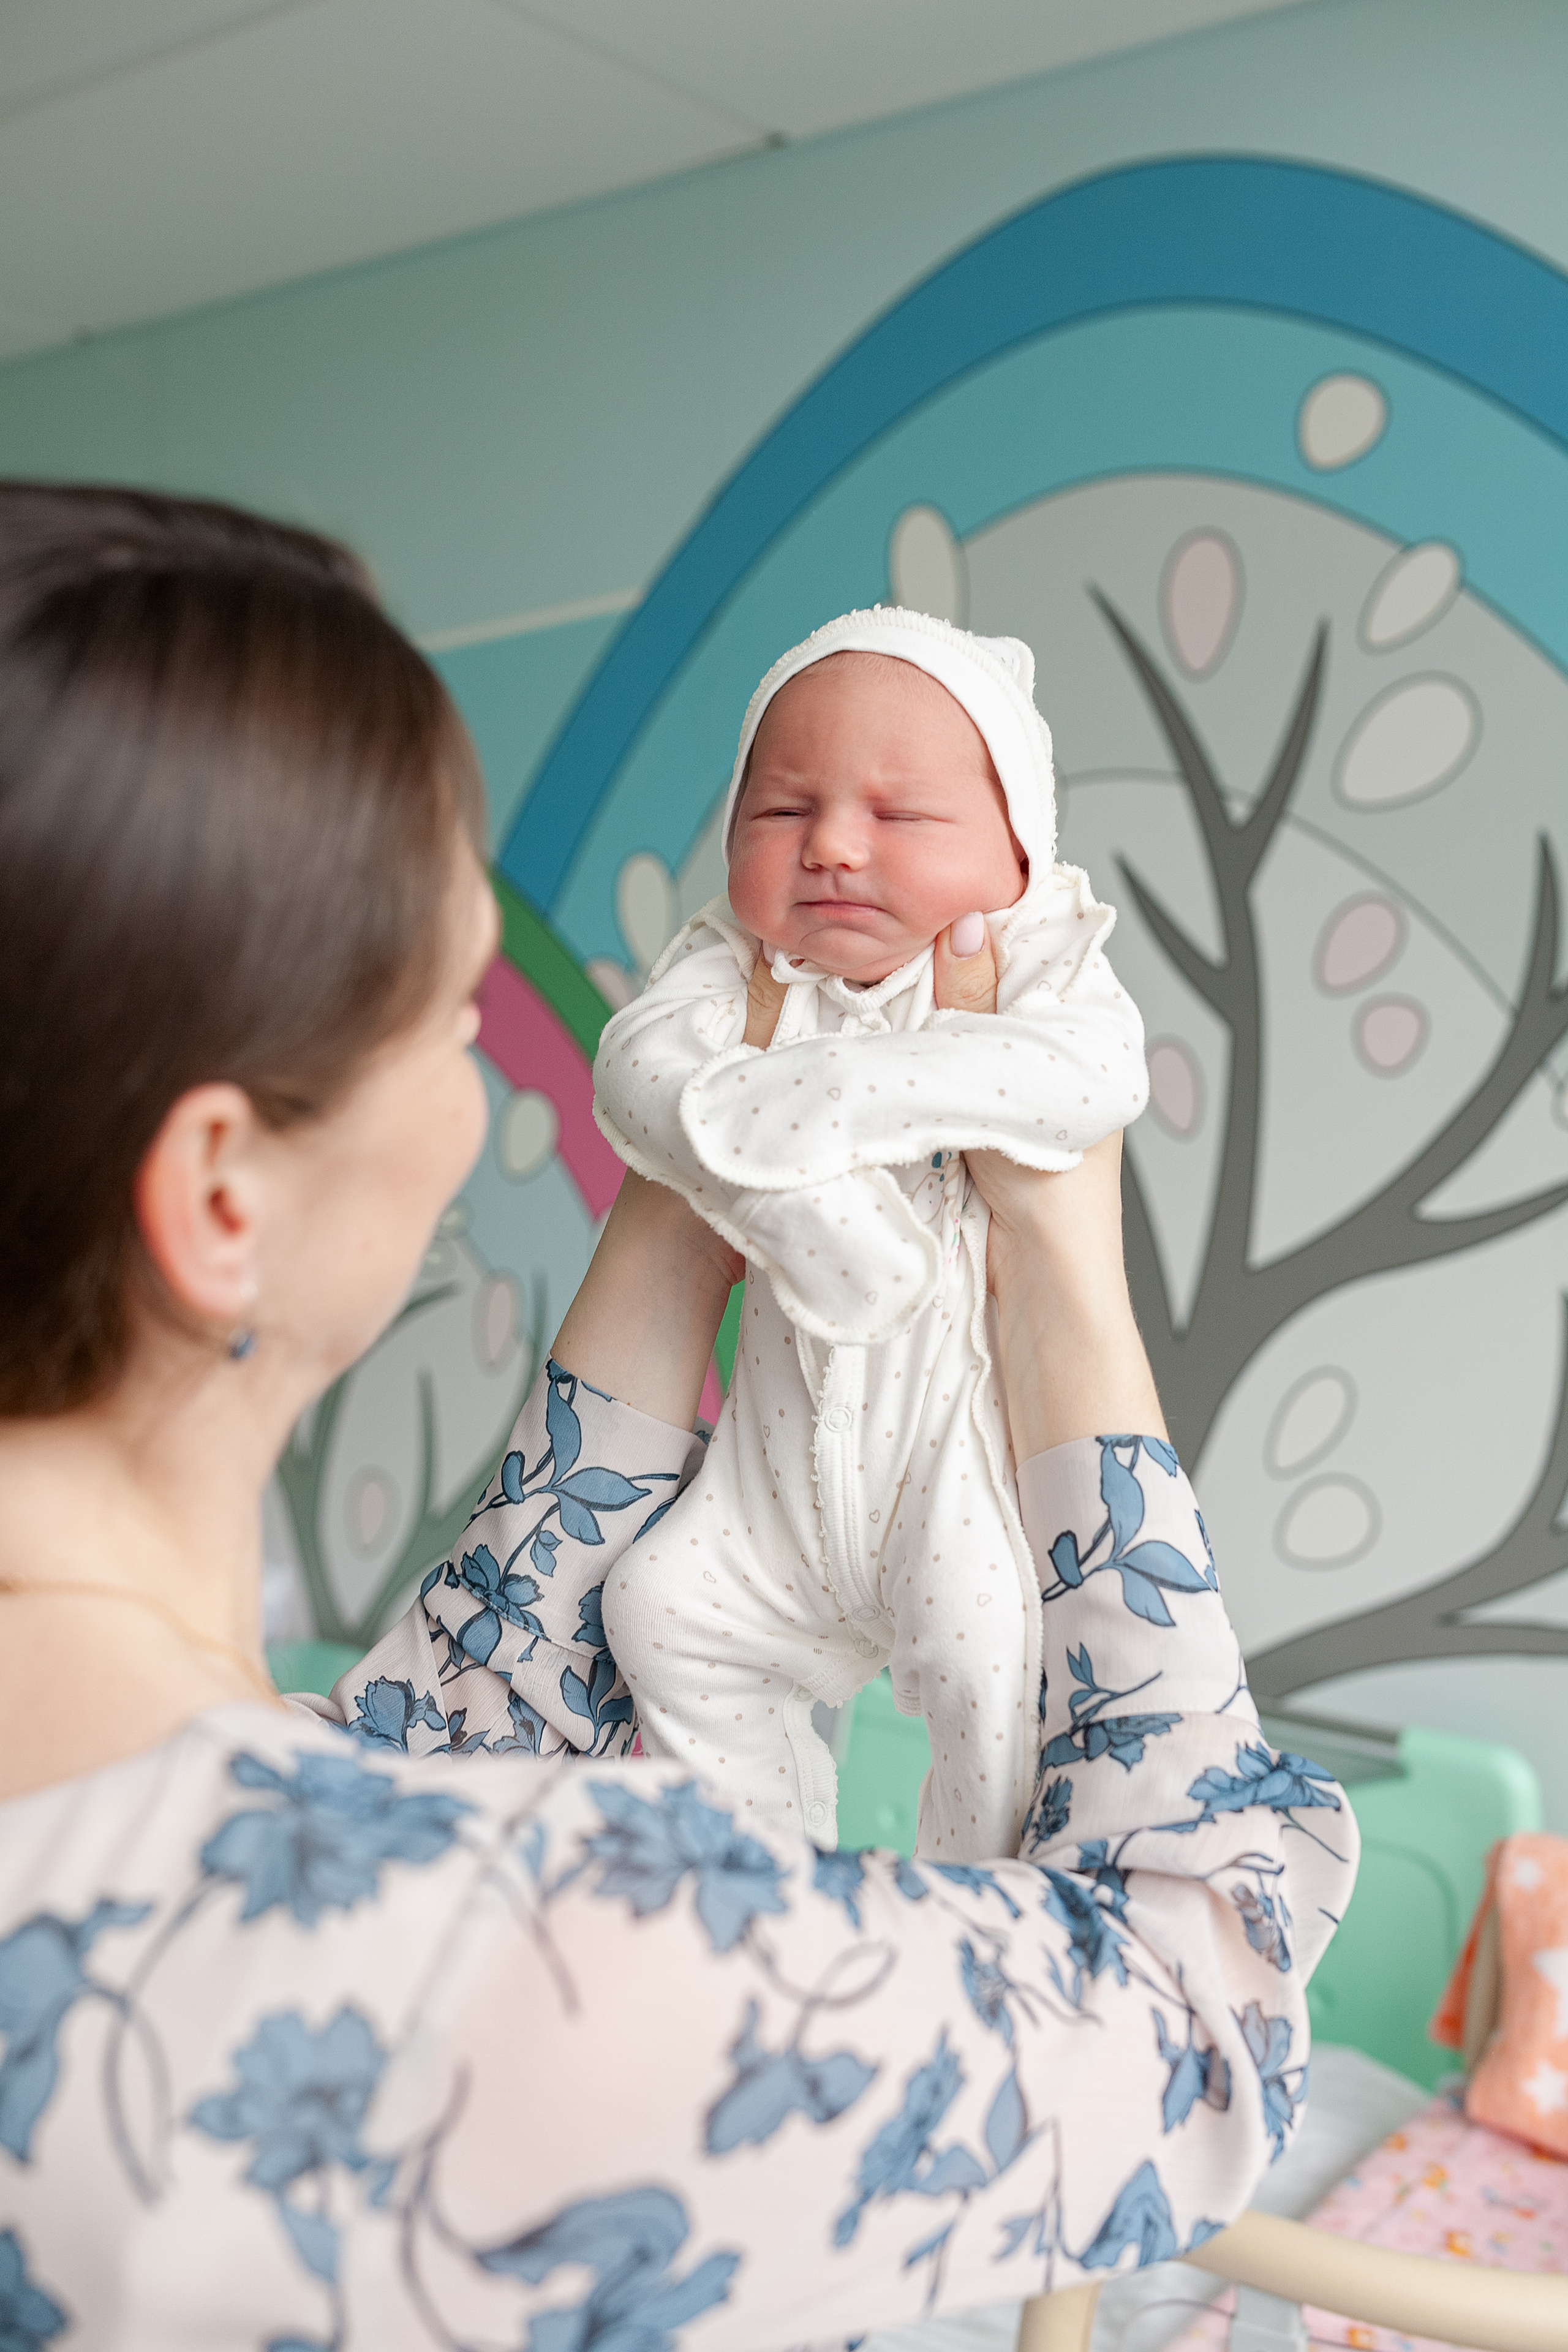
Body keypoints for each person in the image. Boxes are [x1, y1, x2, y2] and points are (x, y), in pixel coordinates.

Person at [0, 484, 1354, 2352]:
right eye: (456, 1018)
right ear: (224, 1195)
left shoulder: (283, 1833)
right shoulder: (608, 1969)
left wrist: (704, 1182)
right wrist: (1075, 1287)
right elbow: (1200, 2009)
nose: (483, 1087)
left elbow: (458, 1727)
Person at [592, 607, 1147, 1857]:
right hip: (769, 1488)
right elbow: (634, 1071)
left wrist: (823, 1096)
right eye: (780, 811)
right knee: (663, 1606)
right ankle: (760, 1910)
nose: (833, 847)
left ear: (1018, 847)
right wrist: (801, 1200)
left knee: (994, 1658)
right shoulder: (736, 962)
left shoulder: (1031, 956)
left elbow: (1089, 1079)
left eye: (897, 817)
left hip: (945, 1476)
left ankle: (970, 1930)